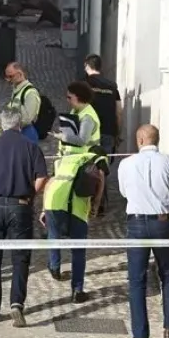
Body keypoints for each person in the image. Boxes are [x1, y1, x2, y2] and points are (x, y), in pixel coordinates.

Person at [118, 124, 169, 338]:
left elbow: (124, 192)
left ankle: (140, 337)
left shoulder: (126, 164)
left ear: (139, 140)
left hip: (136, 224)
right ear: (158, 141)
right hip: (161, 223)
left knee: (136, 280)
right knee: (168, 275)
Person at [0, 106, 48, 327]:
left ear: (1, 125)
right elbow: (42, 177)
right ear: (19, 125)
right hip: (20, 206)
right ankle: (16, 304)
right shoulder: (30, 147)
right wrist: (31, 193)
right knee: (20, 258)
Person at [40, 115, 107, 304]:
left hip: (54, 202)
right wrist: (96, 204)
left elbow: (50, 182)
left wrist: (44, 209)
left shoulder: (60, 160)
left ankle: (54, 267)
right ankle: (77, 289)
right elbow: (101, 178)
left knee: (54, 236)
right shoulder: (92, 156)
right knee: (78, 250)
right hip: (78, 207)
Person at [53, 81, 101, 163]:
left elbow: (82, 140)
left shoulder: (87, 117)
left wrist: (62, 136)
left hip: (84, 161)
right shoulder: (75, 111)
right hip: (74, 160)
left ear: (79, 97)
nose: (67, 100)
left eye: (69, 97)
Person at [83, 54, 122, 154]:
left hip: (88, 131)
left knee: (88, 164)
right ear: (100, 67)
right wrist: (117, 133)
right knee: (104, 164)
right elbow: (119, 112)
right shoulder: (112, 86)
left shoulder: (83, 84)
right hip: (108, 130)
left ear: (86, 66)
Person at [0, 62, 42, 143]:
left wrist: (9, 126)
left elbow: (27, 119)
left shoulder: (31, 93)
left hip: (26, 134)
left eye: (10, 76)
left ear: (19, 74)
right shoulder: (17, 89)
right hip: (17, 133)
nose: (7, 80)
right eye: (6, 76)